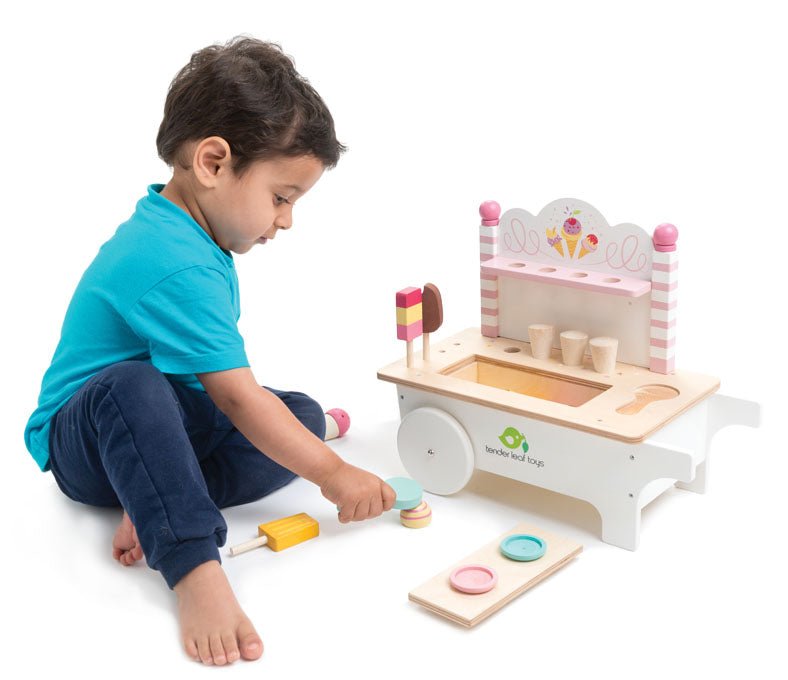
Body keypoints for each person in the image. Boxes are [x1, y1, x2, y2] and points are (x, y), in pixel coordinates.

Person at [23, 36, 395, 666]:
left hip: (163, 422)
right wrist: (333, 474)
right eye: (281, 197)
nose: (286, 221)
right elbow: (237, 399)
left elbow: (223, 395)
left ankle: (156, 498)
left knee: (300, 415)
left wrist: (310, 446)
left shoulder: (193, 237)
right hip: (84, 439)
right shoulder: (172, 259)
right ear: (214, 162)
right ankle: (193, 564)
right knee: (137, 384)